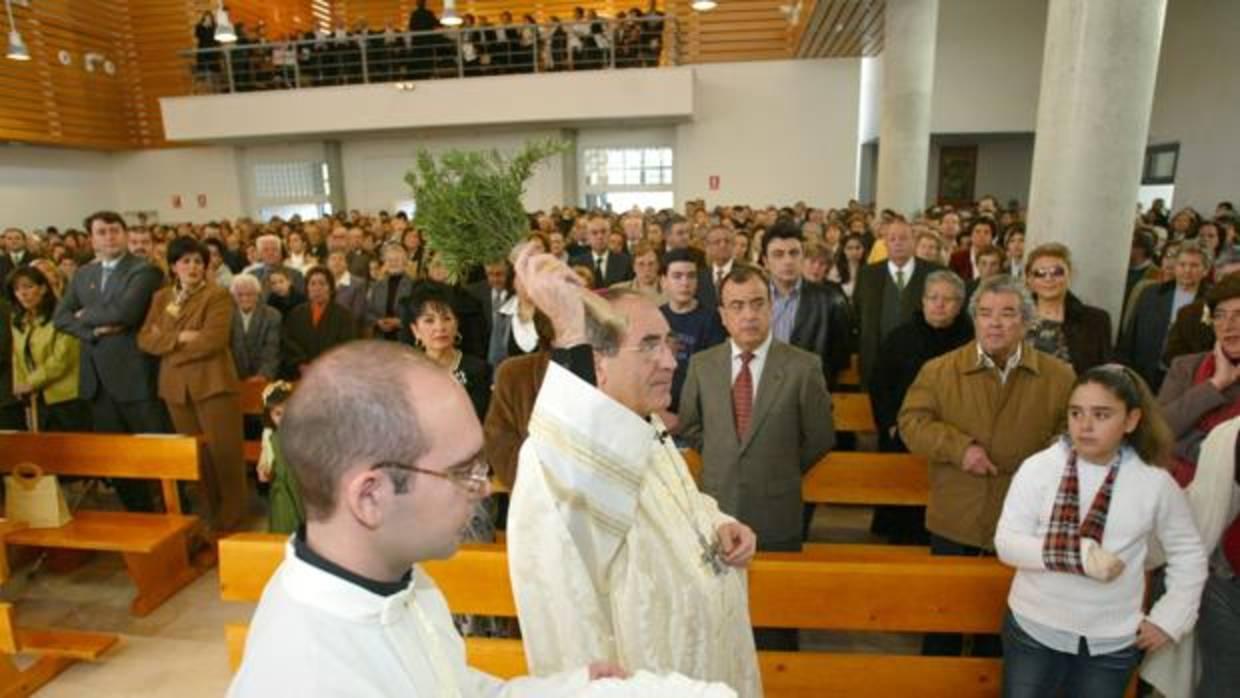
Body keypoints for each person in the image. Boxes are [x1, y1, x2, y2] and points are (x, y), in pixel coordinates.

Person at [228, 340, 632, 697]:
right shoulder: (311, 678)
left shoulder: (397, 578)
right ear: (371, 496)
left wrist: (570, 688)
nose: (484, 488)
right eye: (463, 472)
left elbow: (452, 687)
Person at [506, 247, 762, 697]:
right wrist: (570, 328)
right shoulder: (558, 459)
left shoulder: (643, 422)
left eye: (669, 343)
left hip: (705, 660)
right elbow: (567, 588)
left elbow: (675, 503)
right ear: (598, 362)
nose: (670, 361)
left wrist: (720, 523)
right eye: (648, 345)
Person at [995, 365, 1207, 698]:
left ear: (1132, 420)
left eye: (1102, 414)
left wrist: (1170, 618)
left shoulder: (1154, 482)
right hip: (1035, 627)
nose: (1085, 426)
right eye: (1076, 413)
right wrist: (1082, 556)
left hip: (1110, 639)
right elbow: (1007, 543)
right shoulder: (1039, 468)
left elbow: (1188, 552)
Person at [899, 274, 1076, 656]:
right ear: (974, 319)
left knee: (1000, 629)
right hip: (956, 514)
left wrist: (1044, 462)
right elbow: (912, 423)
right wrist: (959, 448)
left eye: (1008, 313)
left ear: (1026, 321)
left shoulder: (1058, 377)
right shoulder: (939, 370)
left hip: (1022, 520)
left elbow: (1071, 434)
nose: (995, 322)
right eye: (985, 313)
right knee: (942, 623)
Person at [678, 261, 834, 556]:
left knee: (780, 599)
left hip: (775, 511)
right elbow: (690, 425)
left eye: (757, 303)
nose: (748, 315)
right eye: (737, 306)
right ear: (723, 316)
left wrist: (778, 466)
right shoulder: (703, 365)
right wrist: (721, 453)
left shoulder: (803, 367)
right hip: (717, 508)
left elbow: (819, 437)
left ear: (771, 307)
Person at [54, 211, 166, 512]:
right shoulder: (83, 274)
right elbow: (61, 317)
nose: (109, 237)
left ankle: (176, 517)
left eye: (114, 230)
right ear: (92, 239)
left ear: (125, 234)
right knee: (117, 459)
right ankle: (139, 515)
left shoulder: (143, 270)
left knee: (160, 454)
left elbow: (126, 313)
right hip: (98, 383)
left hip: (135, 377)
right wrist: (91, 332)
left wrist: (85, 315)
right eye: (101, 232)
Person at [138, 237, 246, 532]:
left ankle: (233, 517)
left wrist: (168, 346)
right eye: (185, 261)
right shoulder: (161, 298)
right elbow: (145, 339)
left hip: (213, 384)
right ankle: (209, 514)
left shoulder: (218, 295)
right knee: (197, 459)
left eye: (198, 261)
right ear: (173, 266)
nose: (193, 267)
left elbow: (213, 340)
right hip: (175, 389)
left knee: (224, 455)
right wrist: (180, 338)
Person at [868, 270, 973, 544]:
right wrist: (890, 424)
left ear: (960, 305)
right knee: (903, 521)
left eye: (948, 299)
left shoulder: (972, 341)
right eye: (933, 297)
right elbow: (880, 384)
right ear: (923, 301)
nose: (939, 304)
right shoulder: (900, 337)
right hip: (905, 436)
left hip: (955, 438)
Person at [762, 219, 852, 388]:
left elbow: (839, 359)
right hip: (761, 391)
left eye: (794, 253)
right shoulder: (753, 298)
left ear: (802, 256)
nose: (788, 261)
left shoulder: (831, 301)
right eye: (778, 254)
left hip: (809, 393)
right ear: (765, 262)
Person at [854, 219, 941, 387]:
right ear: (884, 243)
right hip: (877, 365)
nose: (898, 243)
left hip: (923, 366)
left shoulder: (934, 273)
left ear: (914, 241)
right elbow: (859, 314)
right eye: (892, 239)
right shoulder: (868, 274)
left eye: (903, 238)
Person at [1117, 242, 1209, 393]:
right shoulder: (1151, 294)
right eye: (1182, 264)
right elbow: (1130, 337)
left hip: (1186, 380)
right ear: (1175, 267)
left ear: (1205, 270)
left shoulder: (1211, 301)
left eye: (1194, 265)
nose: (1187, 270)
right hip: (1145, 375)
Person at [8, 267, 89, 431]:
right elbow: (17, 356)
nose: (22, 294)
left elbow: (62, 359)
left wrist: (31, 383)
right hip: (37, 398)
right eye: (17, 289)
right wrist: (20, 385)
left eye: (28, 287)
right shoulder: (19, 320)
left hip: (67, 398)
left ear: (43, 288)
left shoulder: (63, 315)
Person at [1025, 243, 1113, 375]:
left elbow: (1103, 373)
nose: (1049, 279)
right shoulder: (1014, 317)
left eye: (1057, 272)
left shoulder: (1096, 320)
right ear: (1029, 280)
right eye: (1040, 273)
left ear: (1070, 275)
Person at [659, 249, 726, 417]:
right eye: (677, 276)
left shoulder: (712, 320)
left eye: (691, 276)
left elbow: (713, 377)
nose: (685, 282)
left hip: (696, 412)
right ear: (664, 281)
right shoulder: (655, 317)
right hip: (659, 411)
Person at [281, 267, 357, 379]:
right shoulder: (296, 313)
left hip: (333, 373)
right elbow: (289, 343)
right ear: (307, 288)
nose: (317, 288)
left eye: (322, 283)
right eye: (312, 284)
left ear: (331, 288)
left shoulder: (344, 315)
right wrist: (301, 365)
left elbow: (346, 346)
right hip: (301, 372)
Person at [254, 381, 300, 534]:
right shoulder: (269, 435)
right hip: (281, 488)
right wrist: (263, 468)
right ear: (270, 415)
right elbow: (266, 456)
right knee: (283, 520)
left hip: (300, 485)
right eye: (278, 414)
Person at [230, 274, 282, 382]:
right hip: (232, 378)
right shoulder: (226, 315)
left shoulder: (272, 315)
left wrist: (263, 375)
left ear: (258, 295)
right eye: (240, 295)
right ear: (233, 296)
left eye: (249, 294)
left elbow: (272, 350)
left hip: (262, 378)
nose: (245, 298)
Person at [366, 242, 414, 341]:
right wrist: (378, 321)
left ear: (405, 262)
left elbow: (418, 314)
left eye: (397, 260)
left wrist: (400, 322)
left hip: (404, 339)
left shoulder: (414, 286)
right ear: (385, 263)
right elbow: (368, 312)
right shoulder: (377, 285)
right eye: (390, 260)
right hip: (380, 338)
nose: (393, 263)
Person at [570, 214, 633, 289]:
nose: (600, 236)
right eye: (594, 233)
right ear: (587, 237)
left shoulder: (625, 262)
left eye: (603, 232)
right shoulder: (576, 263)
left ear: (610, 234)